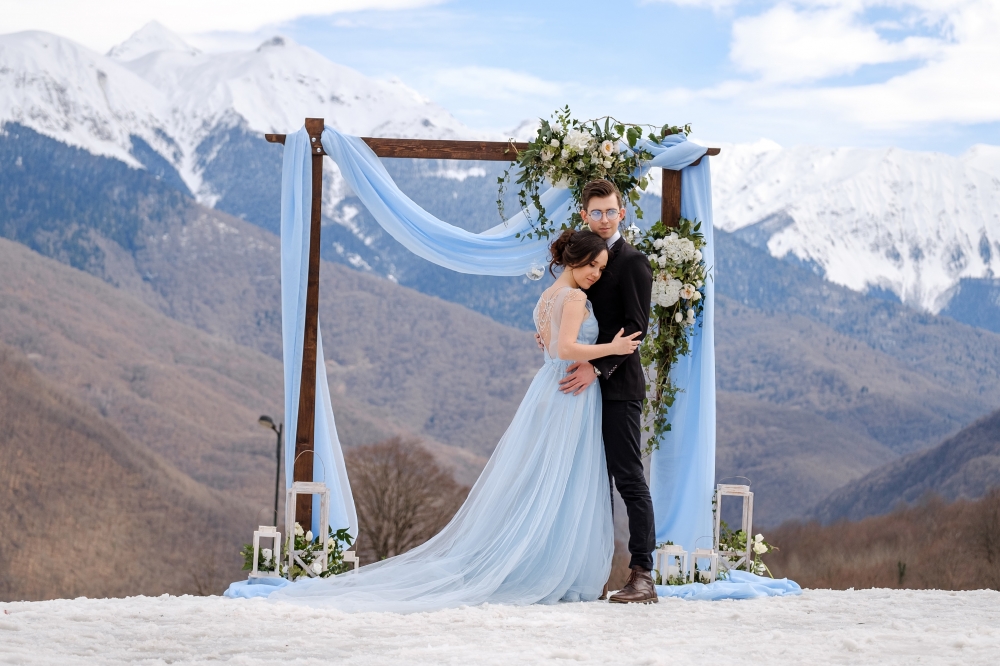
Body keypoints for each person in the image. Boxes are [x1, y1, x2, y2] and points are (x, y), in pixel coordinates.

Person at [269, 229, 640, 613]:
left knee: (548, 480)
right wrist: (612, 348)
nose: (596, 273)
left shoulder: (547, 297)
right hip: (570, 392)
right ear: (573, 259)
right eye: (592, 265)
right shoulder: (575, 298)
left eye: (601, 268)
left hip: (549, 386)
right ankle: (555, 568)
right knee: (566, 479)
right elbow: (565, 348)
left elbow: (551, 345)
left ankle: (544, 561)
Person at [558, 179, 657, 604]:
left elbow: (636, 328)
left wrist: (596, 368)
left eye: (610, 212)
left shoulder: (633, 262)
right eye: (596, 212)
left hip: (617, 387)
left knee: (628, 478)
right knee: (591, 481)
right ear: (585, 215)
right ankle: (591, 574)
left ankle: (642, 575)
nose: (603, 219)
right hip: (584, 392)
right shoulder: (586, 256)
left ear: (622, 213)